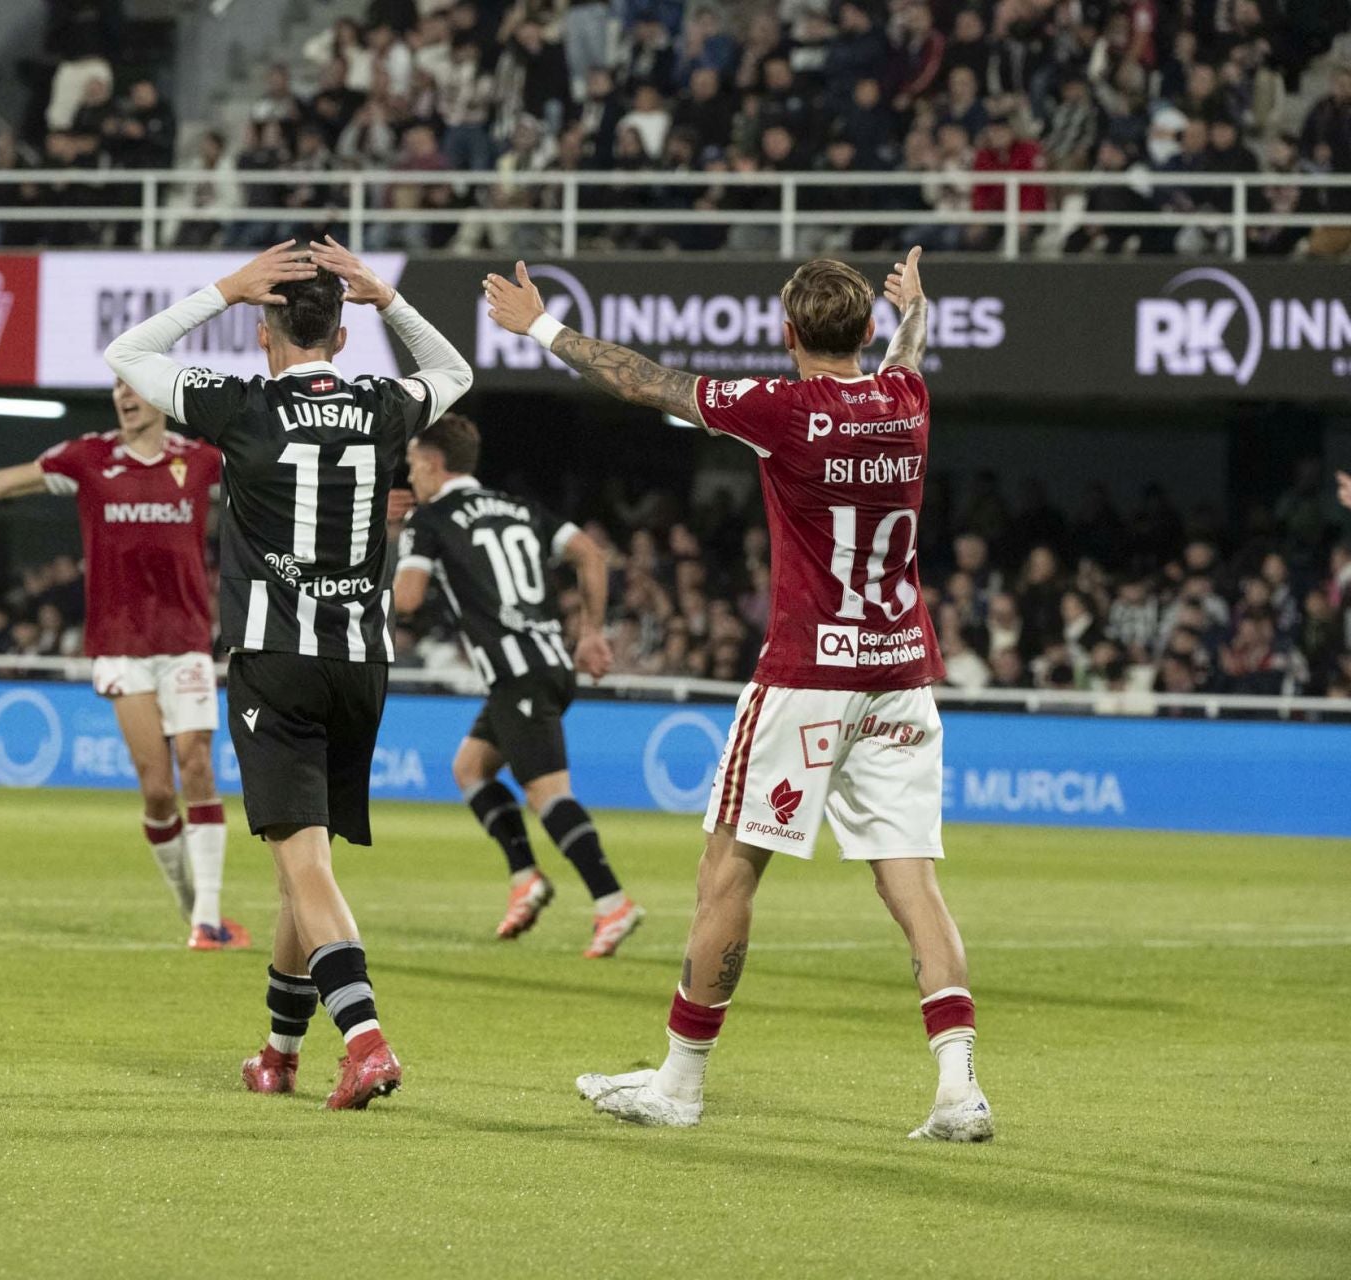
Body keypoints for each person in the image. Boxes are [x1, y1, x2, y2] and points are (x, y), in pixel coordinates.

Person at [483, 247, 993, 1142]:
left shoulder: (782, 410)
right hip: (902, 675)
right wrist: (917, 310)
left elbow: (648, 382)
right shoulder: (906, 400)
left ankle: (679, 1085)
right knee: (912, 882)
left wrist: (543, 328)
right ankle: (959, 1091)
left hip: (808, 678)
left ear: (788, 334)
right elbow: (906, 356)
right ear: (866, 330)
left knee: (727, 872)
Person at [104, 237, 472, 1109]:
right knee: (299, 869)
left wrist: (226, 288)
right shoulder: (382, 404)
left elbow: (128, 353)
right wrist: (387, 297)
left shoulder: (241, 405)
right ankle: (279, 1053)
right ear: (342, 336)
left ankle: (366, 1039)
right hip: (361, 665)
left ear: (263, 332)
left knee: (304, 867)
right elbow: (453, 370)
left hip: (277, 663)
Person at [0, 382, 248, 953]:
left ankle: (206, 920)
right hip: (120, 645)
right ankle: (191, 904)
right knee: (158, 790)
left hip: (184, 642)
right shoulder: (87, 458)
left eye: (135, 386)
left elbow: (277, 476)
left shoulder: (201, 459)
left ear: (160, 394)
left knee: (196, 762)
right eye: (117, 387)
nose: (125, 396)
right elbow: (0, 481)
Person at [391, 413, 645, 955]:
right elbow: (590, 554)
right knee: (470, 768)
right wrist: (590, 633)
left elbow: (407, 600)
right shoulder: (520, 508)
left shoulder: (429, 519)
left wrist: (395, 542)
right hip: (546, 663)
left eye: (412, 466)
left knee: (547, 795)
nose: (410, 477)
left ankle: (612, 902)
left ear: (433, 464)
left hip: (518, 673)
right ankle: (526, 877)